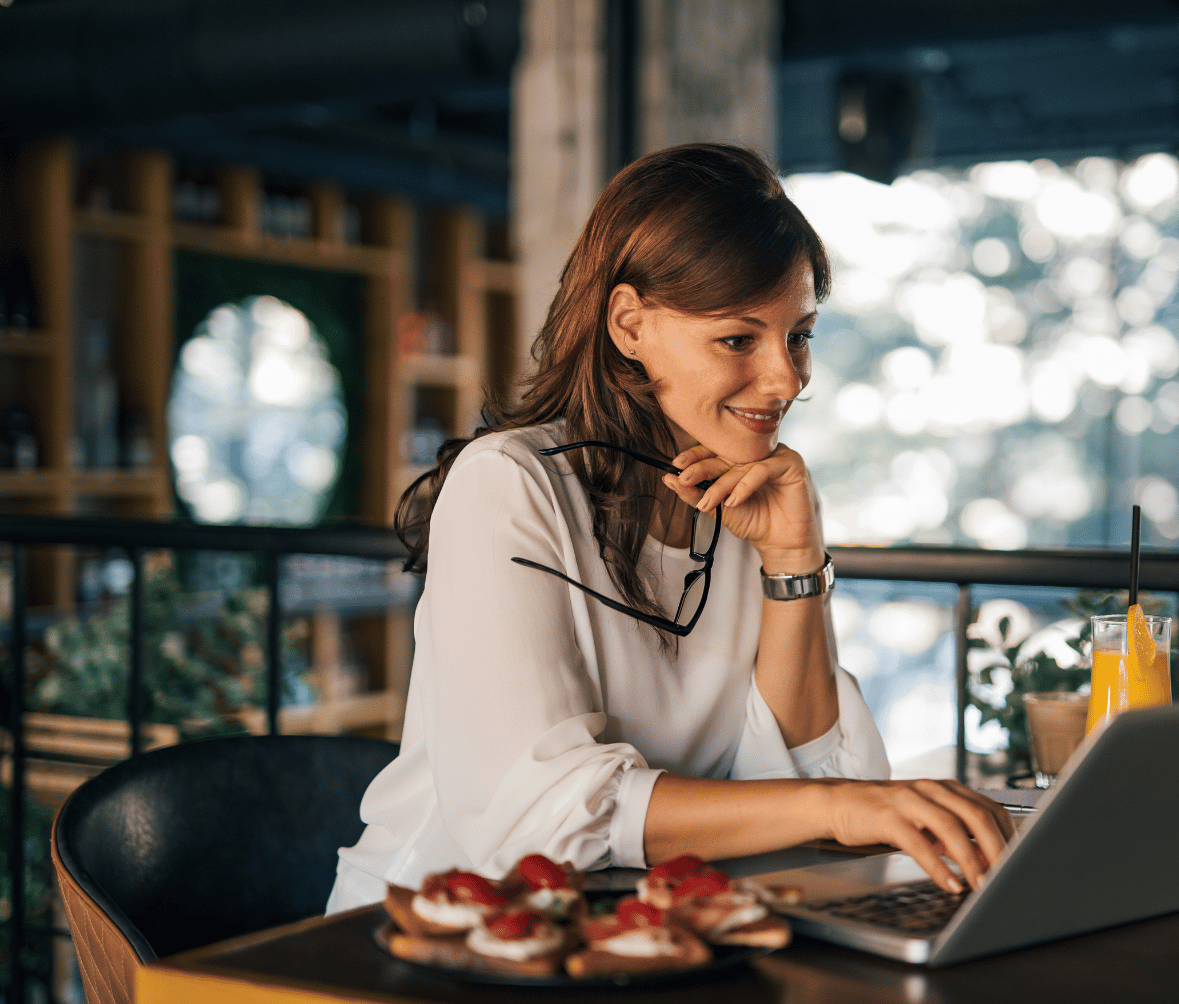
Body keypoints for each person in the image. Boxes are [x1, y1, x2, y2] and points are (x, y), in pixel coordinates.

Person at [327, 144, 1011, 915]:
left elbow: (805, 783)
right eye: (738, 339)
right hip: (437, 936)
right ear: (629, 324)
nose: (786, 379)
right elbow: (538, 817)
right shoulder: (510, 483)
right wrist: (837, 807)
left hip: (643, 930)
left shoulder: (743, 498)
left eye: (800, 336)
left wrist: (794, 560)